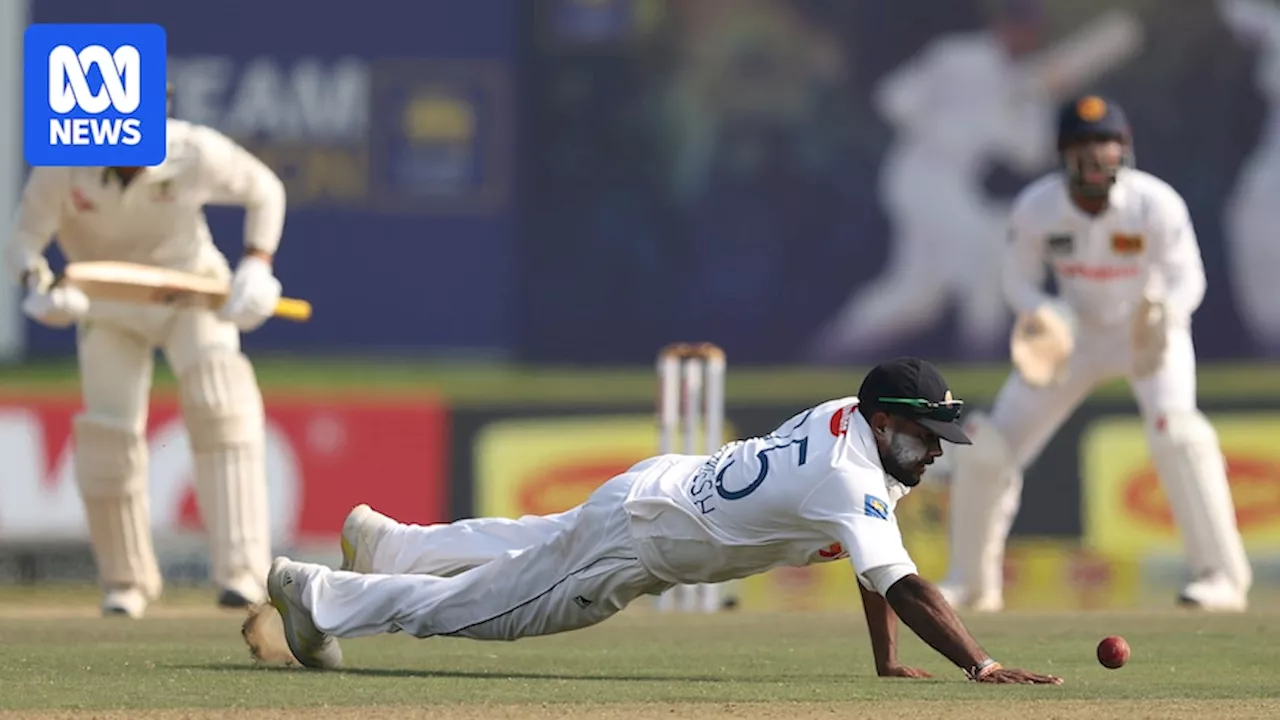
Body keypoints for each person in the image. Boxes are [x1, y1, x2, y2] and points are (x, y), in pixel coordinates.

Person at [256, 358, 1062, 685]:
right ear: (887, 423)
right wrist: (981, 667)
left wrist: (885, 662)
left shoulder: (846, 417)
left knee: (534, 538)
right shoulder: (853, 478)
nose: (938, 454)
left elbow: (871, 560)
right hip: (643, 543)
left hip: (656, 484)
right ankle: (322, 597)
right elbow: (905, 581)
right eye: (929, 438)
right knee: (485, 609)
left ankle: (395, 544)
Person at [939, 95, 1252, 613]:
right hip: (1073, 336)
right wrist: (1044, 313)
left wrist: (1166, 315)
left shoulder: (1155, 204)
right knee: (989, 444)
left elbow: (1187, 277)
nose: (1094, 159)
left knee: (1179, 433)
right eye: (1082, 147)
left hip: (1146, 330)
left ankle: (1221, 579)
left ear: (1123, 149)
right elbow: (1017, 280)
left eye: (1104, 145)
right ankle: (971, 583)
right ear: (1063, 155)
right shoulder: (1038, 207)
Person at [5, 91, 288, 618]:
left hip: (190, 293)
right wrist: (39, 284)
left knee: (222, 404)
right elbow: (24, 239)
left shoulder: (192, 150)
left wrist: (257, 264)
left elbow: (265, 190)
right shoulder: (62, 164)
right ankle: (126, 582)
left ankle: (243, 576)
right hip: (108, 306)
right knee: (108, 435)